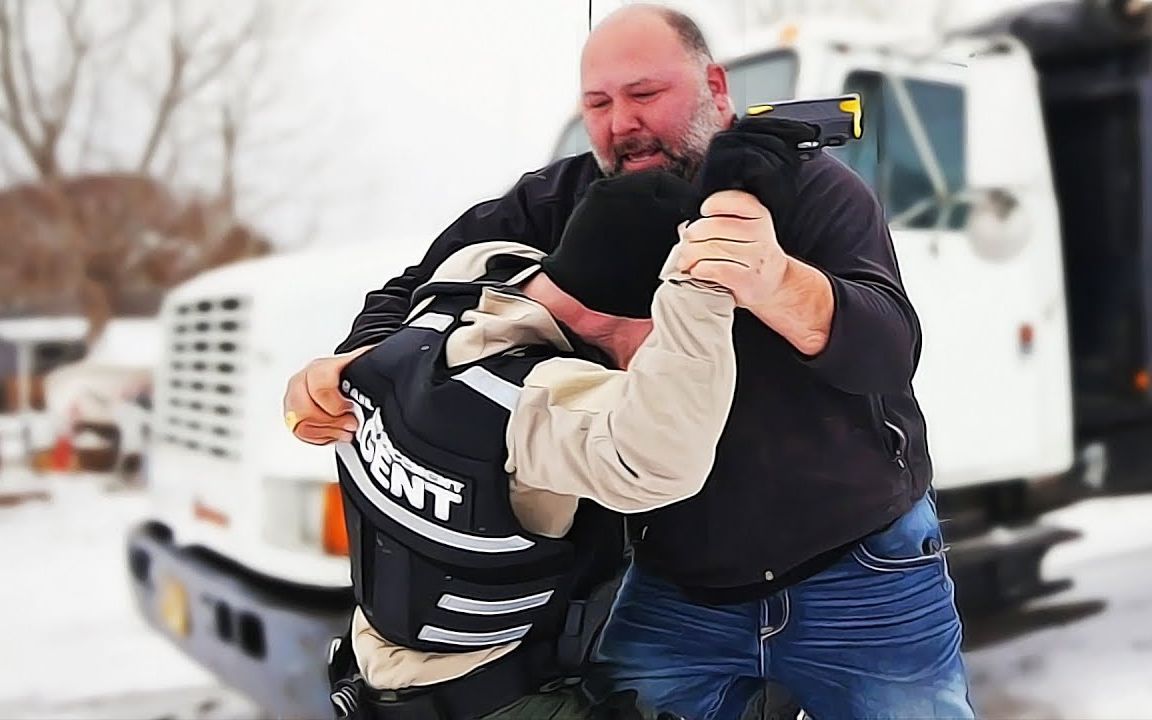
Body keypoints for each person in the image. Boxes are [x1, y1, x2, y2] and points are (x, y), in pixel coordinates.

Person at [287, 4, 976, 719]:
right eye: (598, 103)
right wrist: (353, 361)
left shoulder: (812, 189)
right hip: (676, 587)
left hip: (862, 570)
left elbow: (889, 351)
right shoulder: (561, 199)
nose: (622, 123)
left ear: (715, 87)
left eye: (645, 94)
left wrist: (776, 281)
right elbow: (415, 286)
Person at [292, 170, 743, 718]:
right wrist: (700, 294)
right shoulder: (533, 404)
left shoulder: (444, 301)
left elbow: (488, 252)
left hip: (371, 675)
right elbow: (667, 459)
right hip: (498, 698)